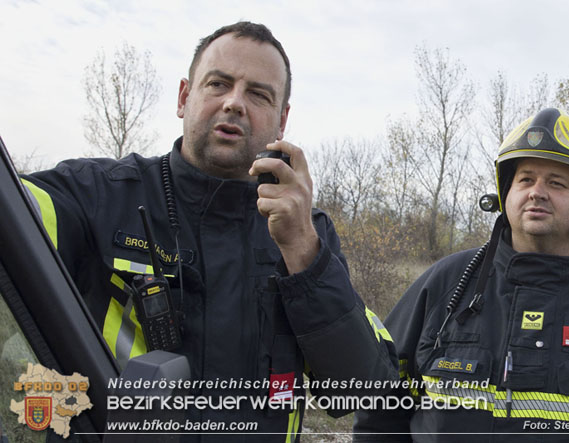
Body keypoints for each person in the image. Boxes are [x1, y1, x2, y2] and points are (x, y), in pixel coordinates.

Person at [22, 21, 397, 441]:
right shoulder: (94, 194)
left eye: (258, 94)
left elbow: (365, 393)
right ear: (185, 97)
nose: (235, 103)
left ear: (282, 120)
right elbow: (14, 217)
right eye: (219, 84)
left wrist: (302, 251)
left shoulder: (309, 232)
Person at [353, 108, 569, 442]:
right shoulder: (445, 285)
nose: (536, 192)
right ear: (506, 191)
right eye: (525, 179)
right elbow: (380, 413)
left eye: (557, 183)